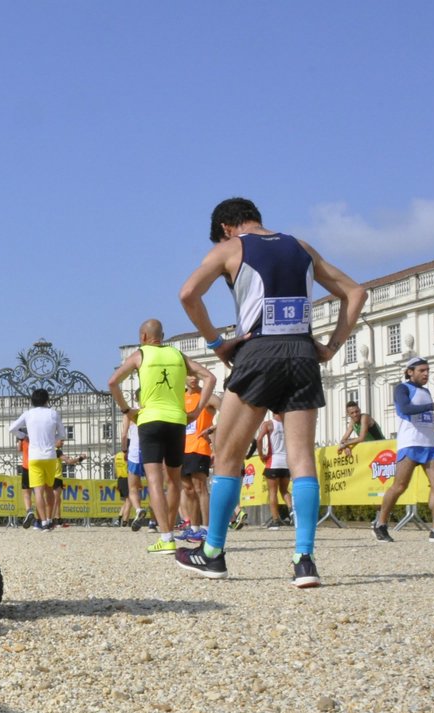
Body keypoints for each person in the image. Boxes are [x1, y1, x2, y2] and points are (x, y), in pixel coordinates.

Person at [174, 197, 367, 587]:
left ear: (227, 227)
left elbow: (188, 294)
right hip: (301, 353)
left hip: (258, 352)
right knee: (302, 460)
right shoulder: (302, 247)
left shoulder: (230, 248)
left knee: (227, 456)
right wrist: (329, 347)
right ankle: (304, 560)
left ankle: (212, 553)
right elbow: (356, 292)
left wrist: (216, 343)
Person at [107, 319, 215, 555]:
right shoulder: (178, 355)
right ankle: (172, 533)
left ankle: (166, 538)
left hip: (149, 420)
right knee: (174, 481)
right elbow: (210, 378)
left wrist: (127, 410)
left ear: (143, 337)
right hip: (177, 421)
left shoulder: (140, 355)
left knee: (155, 481)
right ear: (162, 336)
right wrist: (196, 412)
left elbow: (113, 382)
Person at [371, 357, 434, 543]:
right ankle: (380, 523)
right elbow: (405, 408)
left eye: (427, 370)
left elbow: (431, 419)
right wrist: (433, 406)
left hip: (431, 446)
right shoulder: (402, 388)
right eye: (422, 370)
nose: (426, 373)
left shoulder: (426, 392)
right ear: (410, 372)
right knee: (399, 486)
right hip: (410, 444)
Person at [10, 389, 64, 532]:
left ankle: (44, 522)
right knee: (49, 490)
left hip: (34, 457)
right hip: (50, 456)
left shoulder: (28, 414)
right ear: (47, 400)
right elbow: (62, 435)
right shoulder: (53, 413)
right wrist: (52, 437)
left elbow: (12, 428)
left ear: (32, 401)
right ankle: (51, 520)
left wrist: (23, 435)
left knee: (38, 491)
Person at [178, 374, 218, 542]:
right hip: (181, 448)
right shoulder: (180, 397)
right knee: (188, 490)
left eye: (196, 375)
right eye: (189, 375)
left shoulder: (207, 396)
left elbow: (228, 411)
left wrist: (213, 429)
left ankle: (207, 529)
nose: (193, 378)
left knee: (200, 487)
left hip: (199, 447)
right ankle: (194, 528)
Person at [257, 410, 292, 528]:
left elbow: (259, 439)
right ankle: (292, 512)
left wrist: (261, 454)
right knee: (285, 490)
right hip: (286, 462)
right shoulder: (288, 424)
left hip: (274, 460)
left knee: (272, 492)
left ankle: (276, 519)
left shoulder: (268, 424)